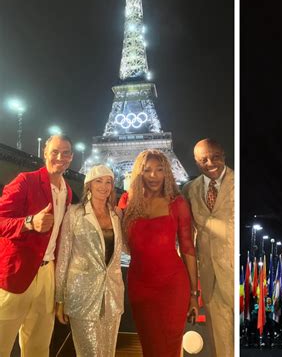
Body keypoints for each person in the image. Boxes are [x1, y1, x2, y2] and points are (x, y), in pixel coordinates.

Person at [0, 135, 73, 356]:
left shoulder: (67, 191)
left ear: (72, 158)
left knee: (39, 344)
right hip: (17, 271)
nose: (60, 157)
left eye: (66, 153)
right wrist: (29, 222)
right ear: (45, 153)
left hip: (47, 273)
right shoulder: (25, 181)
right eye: (55, 152)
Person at [122, 149, 198, 357]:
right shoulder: (127, 203)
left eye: (159, 170)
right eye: (147, 170)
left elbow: (188, 248)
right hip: (140, 285)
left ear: (167, 173)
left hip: (172, 286)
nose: (154, 176)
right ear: (139, 173)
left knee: (170, 347)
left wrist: (193, 294)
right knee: (150, 346)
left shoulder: (177, 203)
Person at [55, 165, 124, 357]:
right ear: (89, 185)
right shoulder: (75, 213)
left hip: (112, 295)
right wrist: (59, 298)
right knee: (89, 352)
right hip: (82, 295)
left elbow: (125, 249)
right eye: (98, 181)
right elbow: (64, 256)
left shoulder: (117, 215)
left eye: (108, 181)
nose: (104, 186)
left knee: (108, 352)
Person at [183, 138, 234, 357]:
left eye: (215, 156)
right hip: (209, 275)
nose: (210, 162)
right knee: (219, 338)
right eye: (203, 159)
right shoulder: (189, 190)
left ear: (224, 155)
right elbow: (185, 232)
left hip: (235, 271)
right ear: (196, 162)